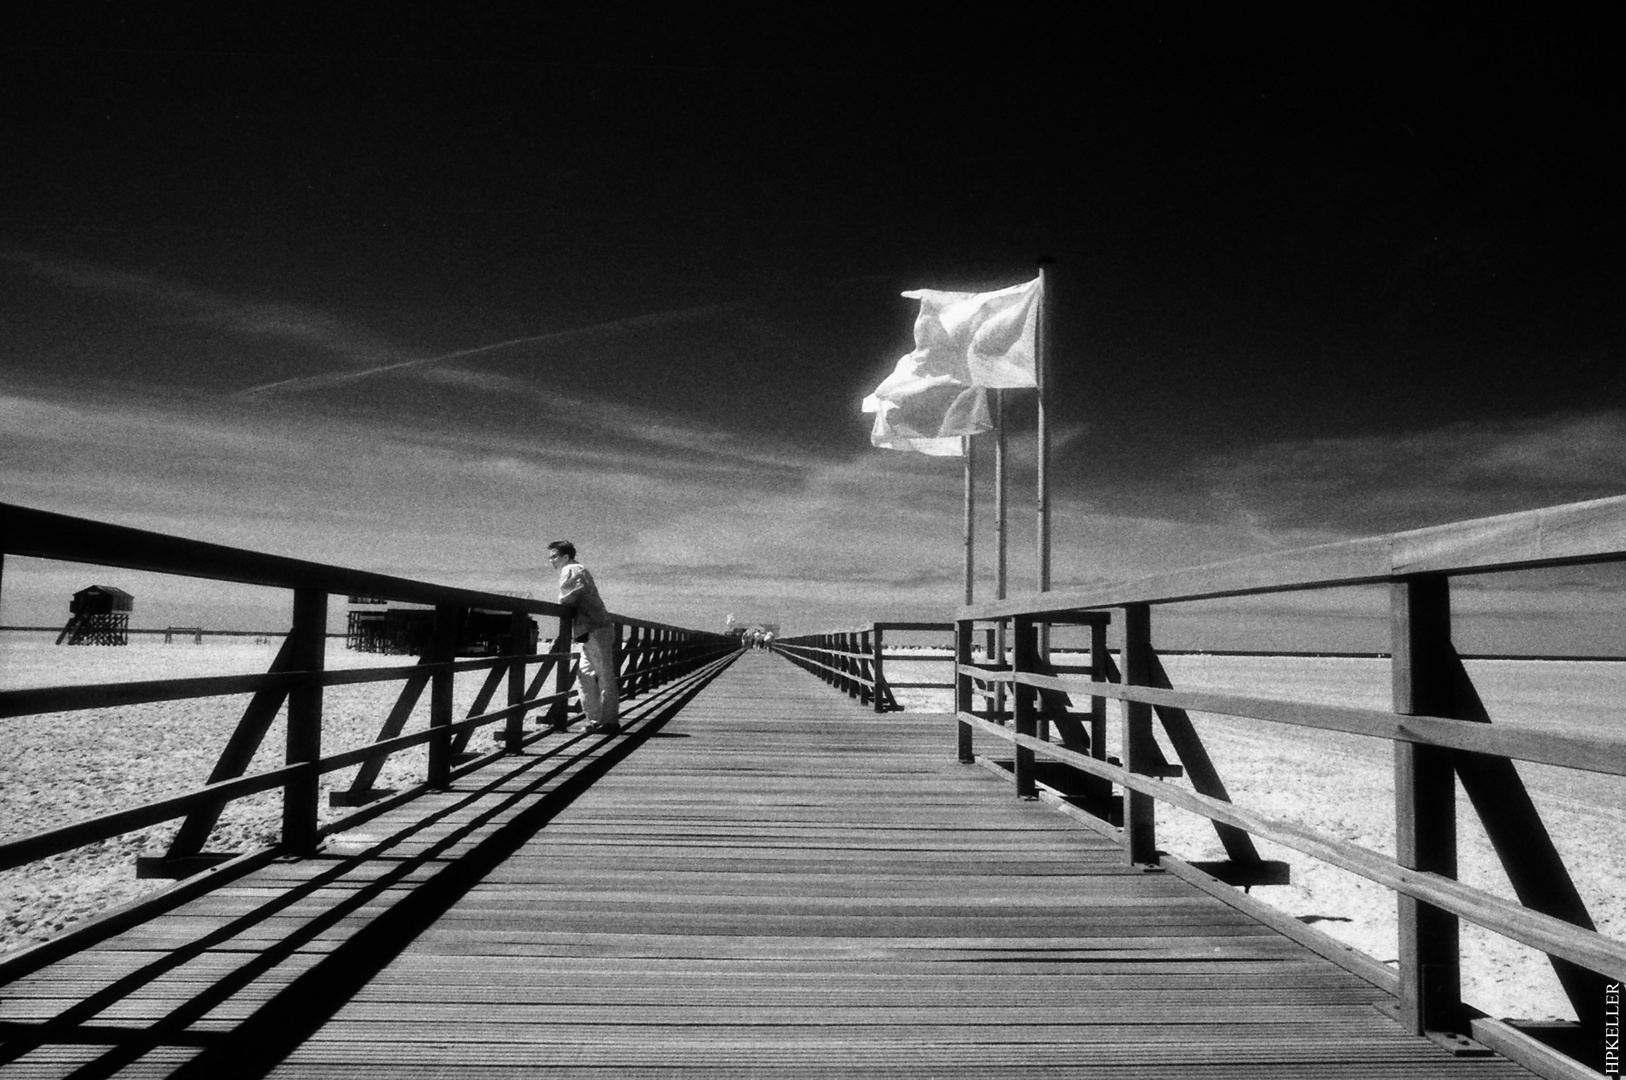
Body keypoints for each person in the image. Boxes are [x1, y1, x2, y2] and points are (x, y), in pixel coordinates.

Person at [547, 540, 620, 733]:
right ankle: (598, 720)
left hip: (595, 628)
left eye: (554, 556)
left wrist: (560, 604)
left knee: (603, 674)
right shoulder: (579, 569)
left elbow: (567, 598)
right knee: (585, 675)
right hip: (592, 629)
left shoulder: (571, 569)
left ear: (565, 557)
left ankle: (609, 722)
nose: (551, 561)